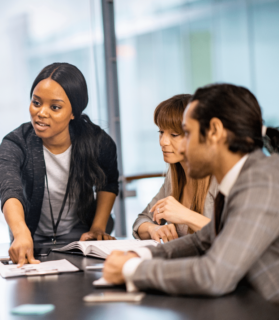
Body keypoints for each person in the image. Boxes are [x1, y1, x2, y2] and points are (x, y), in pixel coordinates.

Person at [103, 83, 279, 303]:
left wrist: (131, 270)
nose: (182, 147)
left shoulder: (262, 182)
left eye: (186, 133)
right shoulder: (241, 179)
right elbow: (200, 241)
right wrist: (140, 255)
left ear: (214, 131)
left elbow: (214, 275)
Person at [0, 63, 119, 266]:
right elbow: (10, 189)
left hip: (80, 236)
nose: (41, 113)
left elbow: (109, 183)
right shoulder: (16, 143)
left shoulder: (98, 141)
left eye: (55, 107)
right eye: (36, 103)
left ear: (73, 112)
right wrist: (20, 232)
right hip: (30, 236)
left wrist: (98, 227)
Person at [133, 94, 218, 242]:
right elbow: (142, 221)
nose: (163, 142)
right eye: (161, 132)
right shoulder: (173, 177)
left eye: (174, 134)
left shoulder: (219, 178)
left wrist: (185, 215)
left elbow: (235, 237)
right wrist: (154, 229)